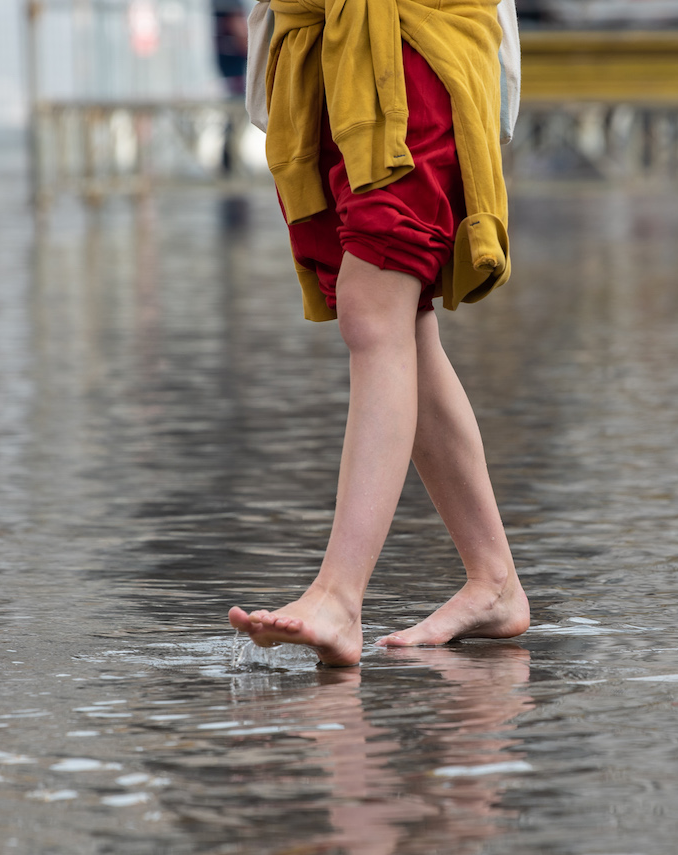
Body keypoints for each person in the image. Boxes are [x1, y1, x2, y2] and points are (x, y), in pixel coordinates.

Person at [228, 0, 529, 666]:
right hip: (327, 37)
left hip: (409, 31)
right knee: (402, 319)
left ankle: (339, 595)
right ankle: (494, 579)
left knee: (376, 303)